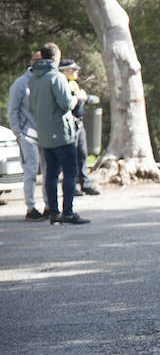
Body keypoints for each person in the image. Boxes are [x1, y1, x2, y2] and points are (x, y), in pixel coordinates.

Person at [28, 43, 89, 224]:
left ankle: (53, 212)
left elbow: (32, 106)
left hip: (44, 134)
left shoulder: (34, 78)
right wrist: (77, 97)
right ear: (55, 58)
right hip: (61, 133)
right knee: (70, 171)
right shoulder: (57, 77)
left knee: (51, 174)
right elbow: (65, 104)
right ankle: (68, 213)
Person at [7, 50, 49, 220]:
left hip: (46, 134)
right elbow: (13, 111)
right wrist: (18, 134)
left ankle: (49, 205)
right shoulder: (20, 84)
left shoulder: (46, 80)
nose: (40, 63)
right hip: (27, 135)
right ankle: (31, 208)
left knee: (49, 171)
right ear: (31, 62)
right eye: (37, 60)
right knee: (30, 171)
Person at [60, 59, 101, 196]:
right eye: (73, 69)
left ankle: (85, 183)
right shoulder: (62, 84)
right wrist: (79, 98)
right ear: (65, 71)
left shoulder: (73, 84)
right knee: (70, 157)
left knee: (82, 155)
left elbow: (86, 99)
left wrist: (85, 98)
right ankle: (72, 186)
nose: (76, 72)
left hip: (79, 123)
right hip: (69, 125)